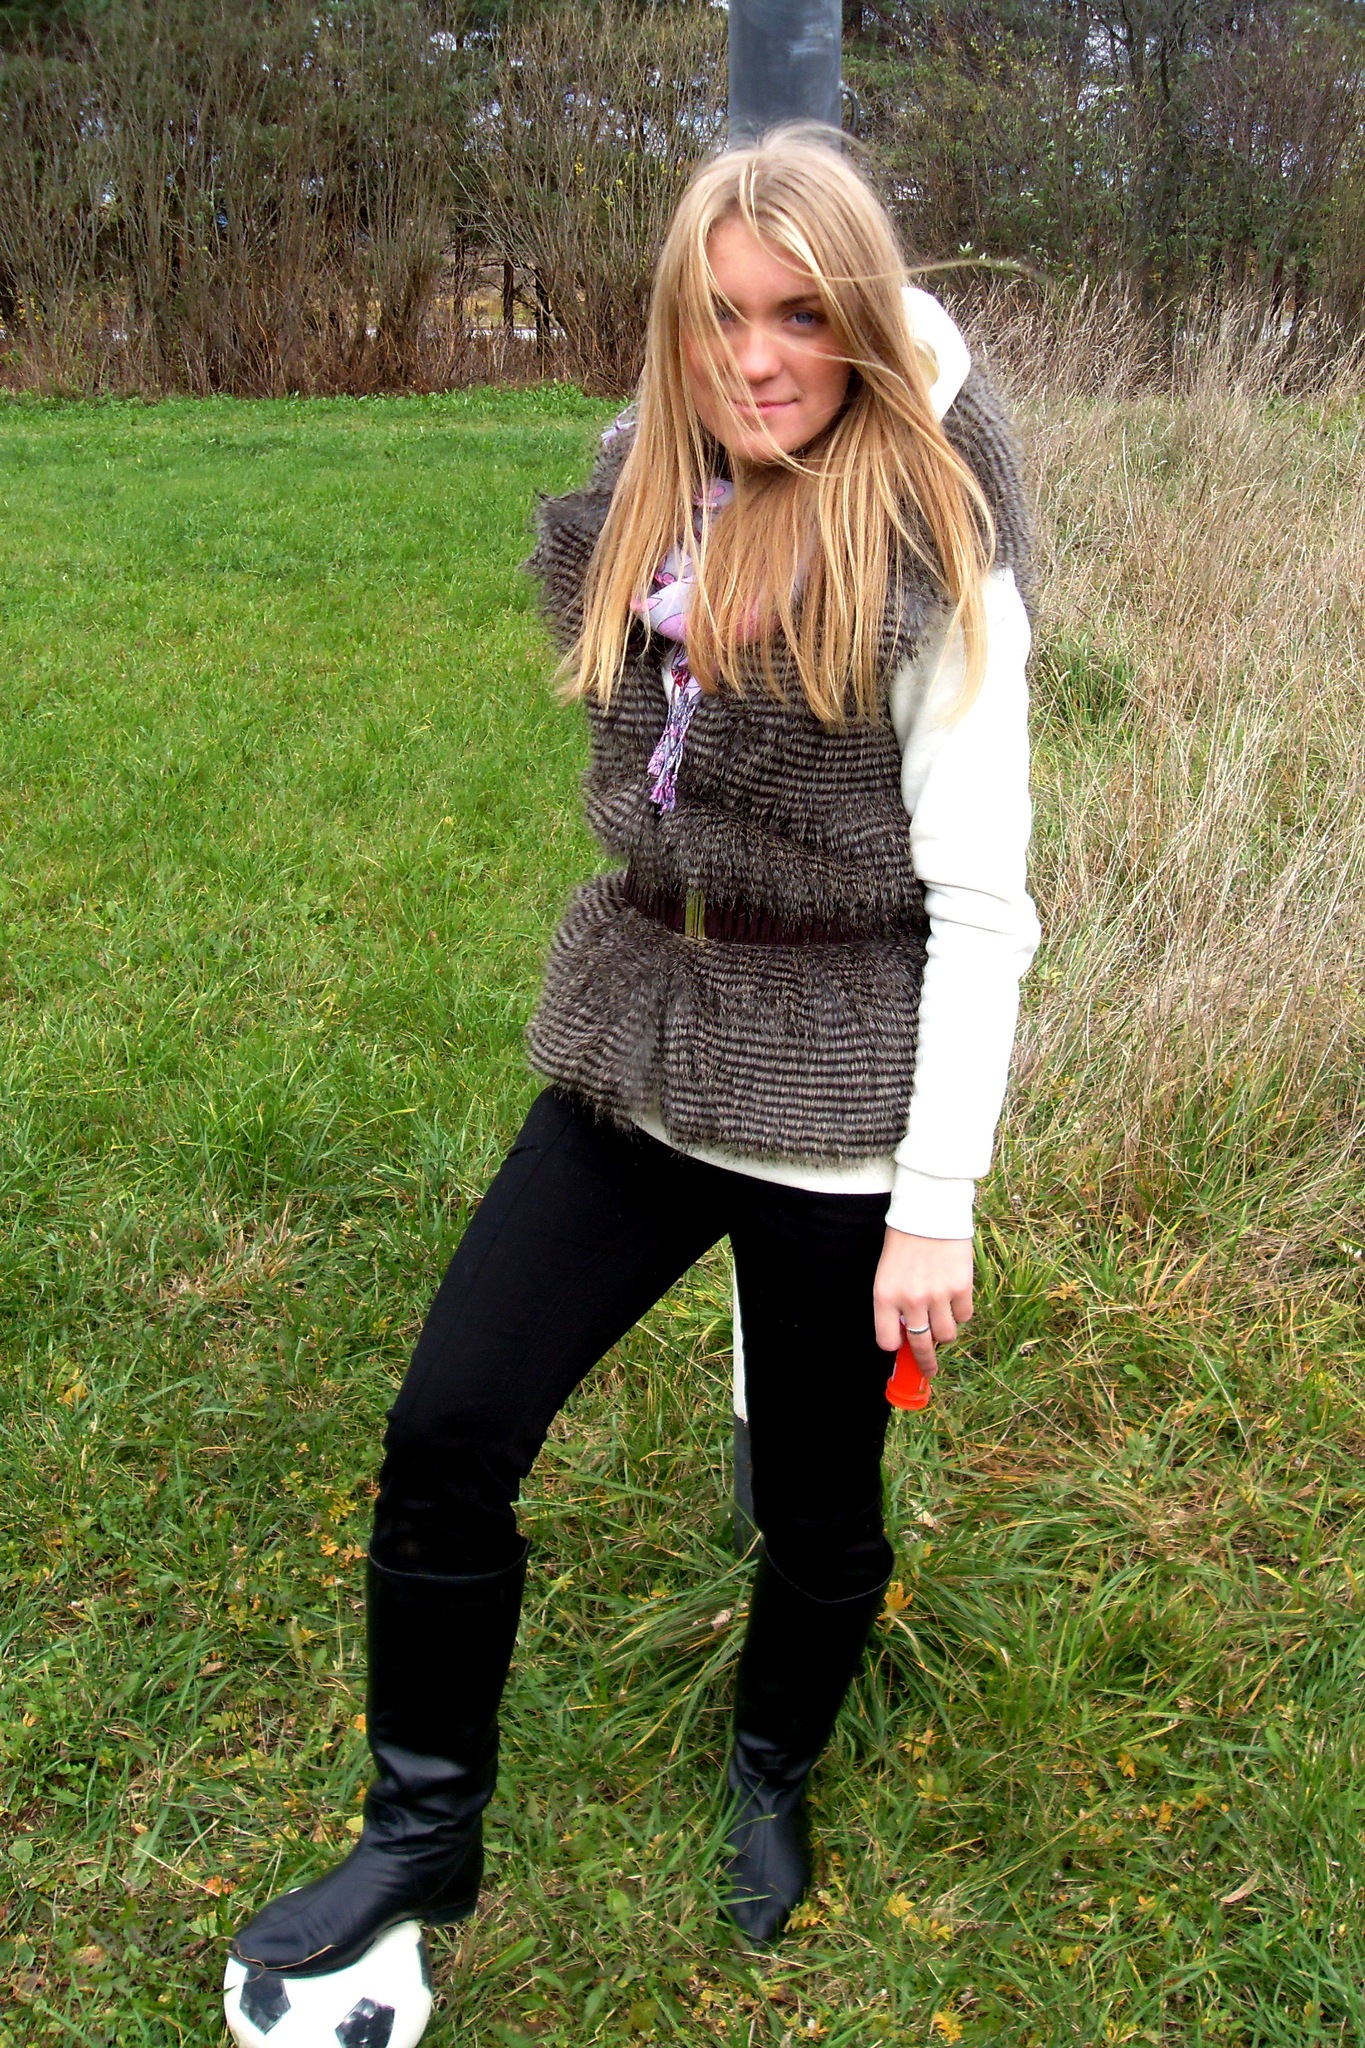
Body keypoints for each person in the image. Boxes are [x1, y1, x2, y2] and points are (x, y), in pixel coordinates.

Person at [229, 127, 1039, 1980]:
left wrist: (935, 1200)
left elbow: (984, 909)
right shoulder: (648, 506)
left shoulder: (936, 569)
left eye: (804, 317)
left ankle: (771, 1765)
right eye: (717, 314)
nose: (756, 359)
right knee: (447, 1432)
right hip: (640, 1047)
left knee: (821, 1512)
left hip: (834, 1100)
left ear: (865, 330)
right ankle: (422, 1833)